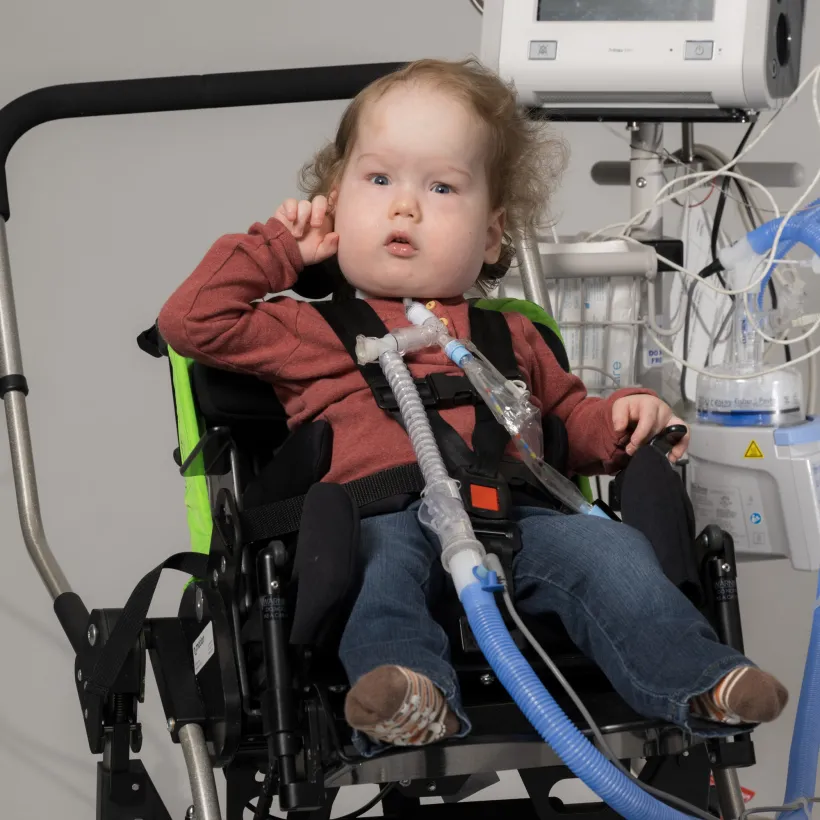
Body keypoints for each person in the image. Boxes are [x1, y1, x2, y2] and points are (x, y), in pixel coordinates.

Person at [158, 57, 787, 755]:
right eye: (379, 180)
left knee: (613, 552)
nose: (405, 206)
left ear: (491, 235)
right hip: (380, 517)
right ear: (334, 205)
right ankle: (408, 693)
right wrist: (280, 248)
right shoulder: (305, 329)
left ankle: (698, 680)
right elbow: (191, 322)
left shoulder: (510, 333)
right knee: (379, 575)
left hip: (519, 521)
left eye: (441, 186)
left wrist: (621, 419)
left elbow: (568, 423)